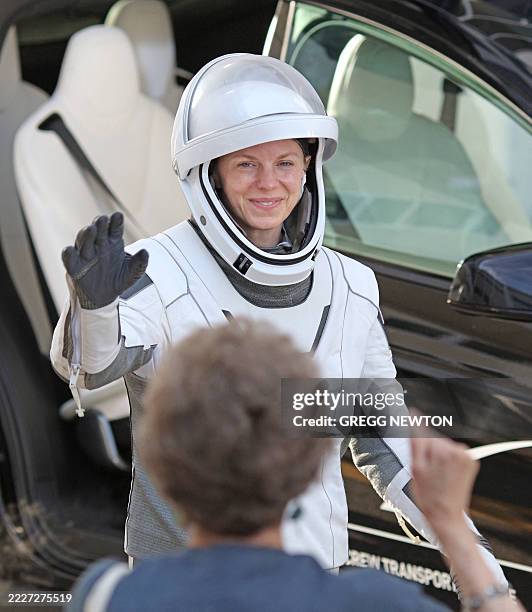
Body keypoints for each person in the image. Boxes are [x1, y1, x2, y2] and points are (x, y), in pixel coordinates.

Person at [50, 54, 505, 583]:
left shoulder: (351, 285)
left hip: (311, 578)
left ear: (308, 166)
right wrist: (94, 306)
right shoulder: (157, 269)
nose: (269, 183)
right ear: (209, 171)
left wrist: (477, 560)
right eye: (246, 164)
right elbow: (89, 369)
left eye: (285, 162)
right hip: (183, 581)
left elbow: (387, 442)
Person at [67, 320, 521, 612]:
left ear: (160, 466)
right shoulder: (375, 604)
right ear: (308, 470)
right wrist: (454, 532)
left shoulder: (108, 596)